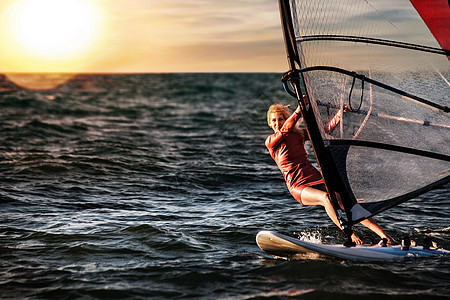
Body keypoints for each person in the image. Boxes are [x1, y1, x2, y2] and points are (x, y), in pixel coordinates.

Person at [266, 96, 396, 245]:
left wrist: (340, 114)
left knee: (347, 203)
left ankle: (386, 237)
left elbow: (324, 131)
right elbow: (284, 131)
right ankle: (349, 234)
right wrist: (299, 110)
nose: (277, 123)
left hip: (315, 177)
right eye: (274, 120)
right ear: (270, 124)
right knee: (326, 198)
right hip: (298, 186)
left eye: (281, 119)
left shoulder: (299, 134)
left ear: (286, 119)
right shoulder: (271, 141)